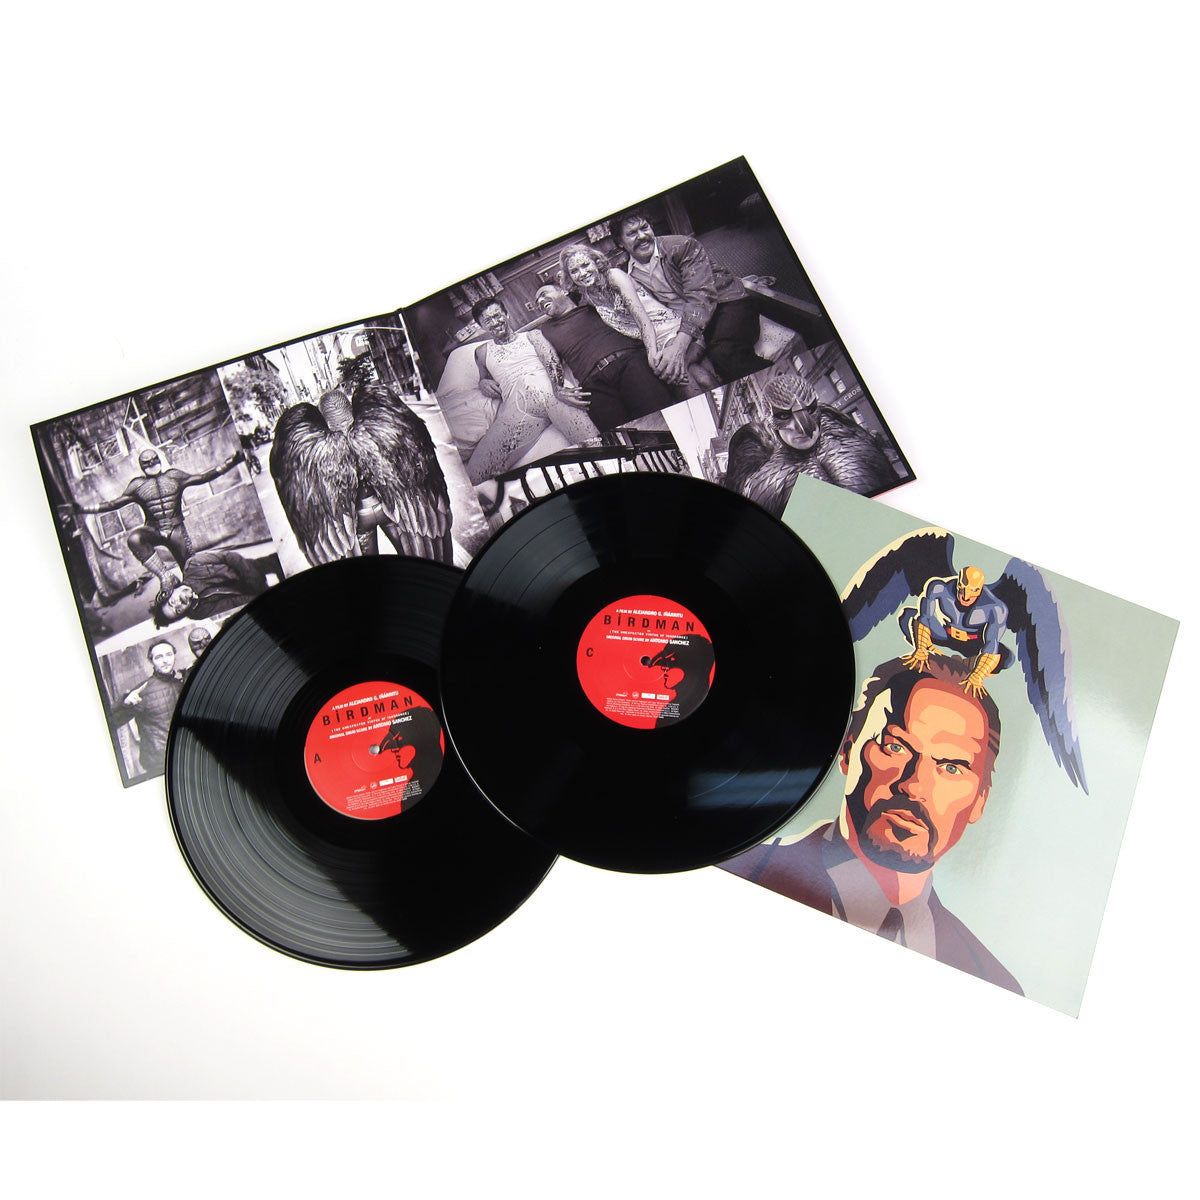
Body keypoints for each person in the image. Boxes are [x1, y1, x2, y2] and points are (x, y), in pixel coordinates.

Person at [722, 655, 1022, 994]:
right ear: (848, 750)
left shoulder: (993, 983)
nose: (914, 785)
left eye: (951, 768)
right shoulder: (732, 876)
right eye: (895, 747)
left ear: (980, 800)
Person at [610, 210, 772, 386]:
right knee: (671, 371)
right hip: (687, 321)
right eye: (632, 233)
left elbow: (700, 297)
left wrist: (679, 347)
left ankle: (779, 382)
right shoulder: (625, 274)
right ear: (620, 242)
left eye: (644, 227)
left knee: (723, 353)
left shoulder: (682, 246)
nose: (642, 236)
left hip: (725, 301)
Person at [465, 297, 602, 484]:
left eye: (497, 316)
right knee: (474, 474)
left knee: (536, 385)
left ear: (507, 314)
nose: (495, 322)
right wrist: (483, 383)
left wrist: (557, 388)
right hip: (519, 407)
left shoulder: (532, 336)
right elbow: (483, 377)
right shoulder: (481, 352)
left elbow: (551, 359)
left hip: (553, 392)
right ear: (482, 326)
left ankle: (600, 462)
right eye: (488, 320)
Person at [73, 447, 244, 592]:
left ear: (159, 459)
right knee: (135, 539)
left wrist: (230, 463)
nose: (151, 463)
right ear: (141, 466)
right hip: (152, 529)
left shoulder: (174, 476)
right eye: (146, 462)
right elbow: (113, 504)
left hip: (176, 529)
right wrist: (82, 509)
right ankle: (166, 577)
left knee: (193, 574)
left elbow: (202, 477)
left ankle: (220, 578)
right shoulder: (137, 485)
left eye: (153, 459)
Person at [558, 243, 718, 393]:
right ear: (569, 277)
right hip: (651, 345)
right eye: (574, 271)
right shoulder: (589, 297)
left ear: (596, 262)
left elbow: (642, 320)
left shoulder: (614, 276)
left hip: (673, 332)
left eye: (585, 265)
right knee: (700, 377)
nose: (582, 273)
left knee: (682, 378)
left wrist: (652, 356)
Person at [533, 283, 676, 430]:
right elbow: (549, 358)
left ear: (563, 291)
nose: (540, 301)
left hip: (628, 362)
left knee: (660, 421)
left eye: (543, 294)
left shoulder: (594, 305)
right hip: (592, 384)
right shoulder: (545, 330)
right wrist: (557, 390)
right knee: (620, 436)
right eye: (537, 302)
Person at [110, 639, 184, 776]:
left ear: (174, 655)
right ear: (151, 661)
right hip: (159, 764)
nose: (165, 660)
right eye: (159, 657)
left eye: (168, 654)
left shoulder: (182, 684)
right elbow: (112, 723)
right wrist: (124, 704)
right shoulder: (143, 690)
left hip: (185, 757)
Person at [150, 548, 270, 626]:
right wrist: (262, 595)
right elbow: (233, 602)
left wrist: (256, 582)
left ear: (170, 591)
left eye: (172, 602)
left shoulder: (192, 564)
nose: (179, 604)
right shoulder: (199, 612)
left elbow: (229, 556)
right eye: (179, 611)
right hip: (258, 593)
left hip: (255, 568)